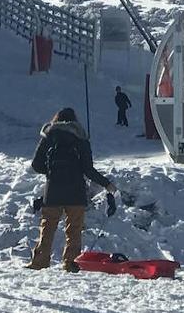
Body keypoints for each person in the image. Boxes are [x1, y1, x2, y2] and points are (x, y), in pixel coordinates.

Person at [25, 107, 116, 272]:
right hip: (76, 190)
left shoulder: (48, 136)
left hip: (53, 190)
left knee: (48, 227)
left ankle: (39, 262)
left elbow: (36, 165)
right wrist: (106, 183)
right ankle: (71, 263)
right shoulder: (80, 137)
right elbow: (88, 169)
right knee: (74, 229)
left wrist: (53, 172)